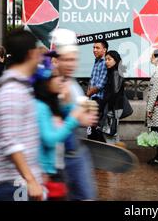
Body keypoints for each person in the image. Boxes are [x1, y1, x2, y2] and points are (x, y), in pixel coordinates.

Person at [0, 29, 44, 201]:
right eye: (38, 51)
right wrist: (30, 179)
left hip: (17, 181)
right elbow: (10, 141)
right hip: (10, 184)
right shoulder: (12, 91)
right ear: (31, 54)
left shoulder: (20, 85)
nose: (40, 57)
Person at [33, 57, 96, 200]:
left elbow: (67, 112)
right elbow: (49, 139)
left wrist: (76, 111)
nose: (61, 80)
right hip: (45, 174)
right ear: (46, 81)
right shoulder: (40, 106)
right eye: (56, 77)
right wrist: (73, 119)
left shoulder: (52, 103)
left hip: (56, 170)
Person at [51, 28, 98, 201]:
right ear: (57, 61)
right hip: (57, 160)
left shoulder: (73, 84)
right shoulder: (50, 85)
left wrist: (86, 117)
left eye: (74, 59)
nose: (72, 64)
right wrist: (76, 115)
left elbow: (82, 113)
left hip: (77, 155)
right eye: (67, 60)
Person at [98, 50, 126, 144]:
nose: (106, 61)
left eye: (109, 59)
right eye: (105, 59)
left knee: (109, 133)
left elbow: (114, 93)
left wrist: (105, 107)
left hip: (113, 108)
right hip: (114, 107)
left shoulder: (115, 72)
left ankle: (114, 154)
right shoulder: (114, 71)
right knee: (113, 133)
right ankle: (119, 153)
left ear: (116, 60)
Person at [87, 40, 108, 140]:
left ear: (104, 50)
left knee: (95, 127)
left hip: (99, 100)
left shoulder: (104, 63)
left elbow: (101, 84)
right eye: (93, 47)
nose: (94, 50)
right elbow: (92, 80)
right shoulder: (97, 61)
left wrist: (88, 93)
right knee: (92, 127)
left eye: (97, 48)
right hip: (93, 99)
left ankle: (101, 150)